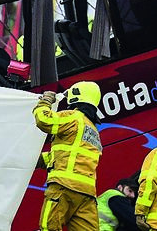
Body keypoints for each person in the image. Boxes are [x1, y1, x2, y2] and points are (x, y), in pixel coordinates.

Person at [34, 81, 103, 231]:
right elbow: (68, 156)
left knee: (49, 228)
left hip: (63, 187)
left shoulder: (73, 117)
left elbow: (44, 121)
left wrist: (45, 102)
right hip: (87, 194)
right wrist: (36, 160)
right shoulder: (92, 129)